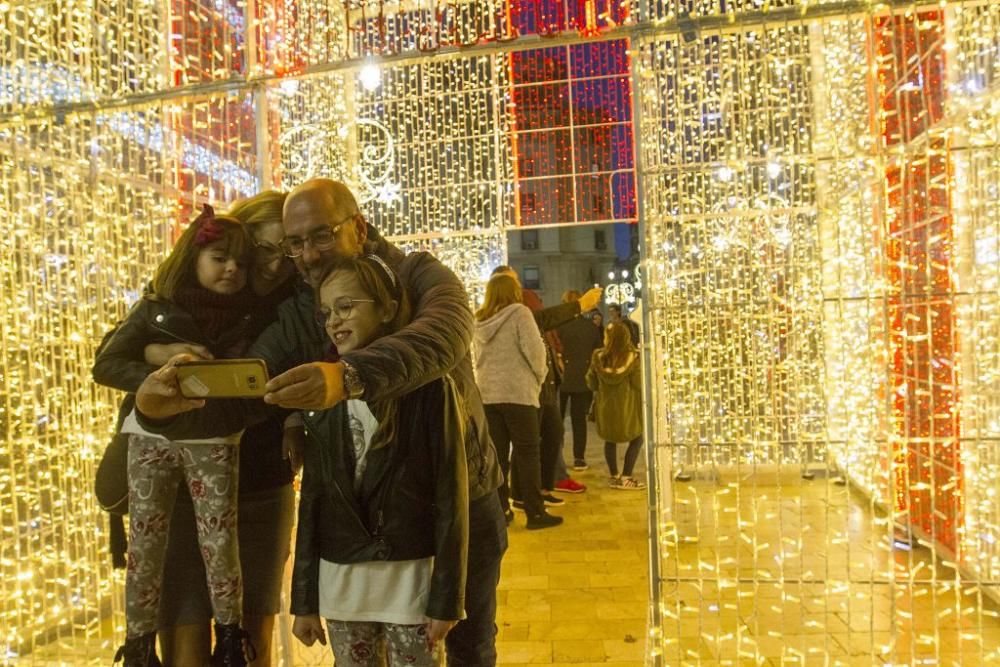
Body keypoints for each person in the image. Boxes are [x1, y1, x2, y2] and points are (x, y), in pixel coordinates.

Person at [130, 178, 507, 666]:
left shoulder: (419, 275)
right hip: (362, 525)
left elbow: (444, 337)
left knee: (467, 646)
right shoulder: (303, 312)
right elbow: (248, 390)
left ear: (358, 227)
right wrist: (159, 410)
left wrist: (348, 377)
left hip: (458, 501)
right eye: (296, 244)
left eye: (321, 236)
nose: (307, 255)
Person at [93, 206, 258, 666]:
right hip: (151, 439)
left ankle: (230, 642)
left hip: (215, 439)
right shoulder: (155, 308)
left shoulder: (251, 314)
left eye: (241, 263)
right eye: (220, 258)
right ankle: (140, 648)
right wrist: (155, 358)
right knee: (144, 547)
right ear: (193, 256)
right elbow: (105, 365)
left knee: (221, 544)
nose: (231, 270)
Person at [290, 256, 468, 666]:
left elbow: (451, 494)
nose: (335, 320)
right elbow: (313, 499)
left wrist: (447, 598)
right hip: (342, 585)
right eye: (327, 312)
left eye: (347, 306)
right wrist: (304, 599)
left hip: (409, 584)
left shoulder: (430, 388)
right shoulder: (323, 391)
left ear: (387, 308)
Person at [490, 267, 593, 501]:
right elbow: (543, 324)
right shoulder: (519, 307)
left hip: (530, 386)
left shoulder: (503, 313)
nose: (519, 284)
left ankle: (530, 493)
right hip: (529, 387)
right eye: (514, 279)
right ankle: (530, 499)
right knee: (528, 445)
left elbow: (545, 329)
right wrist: (580, 306)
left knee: (546, 435)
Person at [474, 274, 559, 529]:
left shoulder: (478, 320)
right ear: (514, 292)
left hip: (489, 395)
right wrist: (539, 378)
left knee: (498, 457)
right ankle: (535, 513)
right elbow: (535, 352)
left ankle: (501, 512)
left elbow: (476, 358)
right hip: (519, 394)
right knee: (528, 453)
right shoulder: (520, 314)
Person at [586, 322, 646, 490]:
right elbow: (638, 383)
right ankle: (627, 476)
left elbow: (591, 383)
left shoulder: (598, 357)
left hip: (605, 408)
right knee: (637, 438)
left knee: (610, 440)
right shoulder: (633, 358)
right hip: (628, 408)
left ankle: (614, 475)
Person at [556, 291, 603, 470]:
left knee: (556, 420)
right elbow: (597, 353)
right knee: (578, 420)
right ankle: (579, 457)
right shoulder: (590, 327)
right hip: (583, 378)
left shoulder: (559, 327)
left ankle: (557, 456)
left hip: (561, 378)